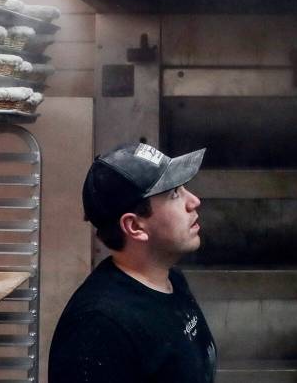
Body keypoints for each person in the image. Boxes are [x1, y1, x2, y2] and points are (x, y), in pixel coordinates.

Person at [48, 142, 217, 382]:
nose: (194, 201)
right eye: (174, 194)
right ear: (135, 226)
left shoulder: (172, 280)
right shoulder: (98, 327)